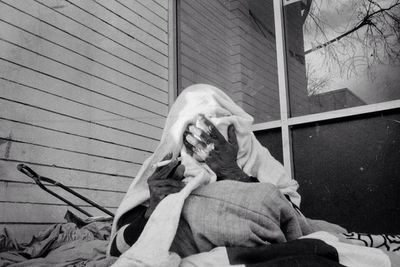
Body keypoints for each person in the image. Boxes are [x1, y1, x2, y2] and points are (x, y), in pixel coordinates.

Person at [109, 114, 304, 257]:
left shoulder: (260, 163)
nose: (205, 140)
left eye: (214, 129)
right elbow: (117, 251)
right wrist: (153, 211)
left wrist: (235, 174)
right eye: (193, 135)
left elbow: (296, 224)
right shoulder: (162, 173)